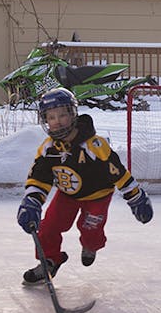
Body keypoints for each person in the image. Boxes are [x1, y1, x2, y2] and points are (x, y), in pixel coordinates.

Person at [16, 87, 153, 283]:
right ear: (45, 121)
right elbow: (39, 178)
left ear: (73, 114)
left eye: (63, 114)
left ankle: (91, 245)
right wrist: (32, 200)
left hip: (98, 195)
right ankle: (49, 260)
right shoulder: (48, 149)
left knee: (90, 230)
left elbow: (117, 172)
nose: (57, 120)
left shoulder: (94, 146)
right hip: (67, 196)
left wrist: (136, 197)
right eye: (51, 117)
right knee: (47, 228)